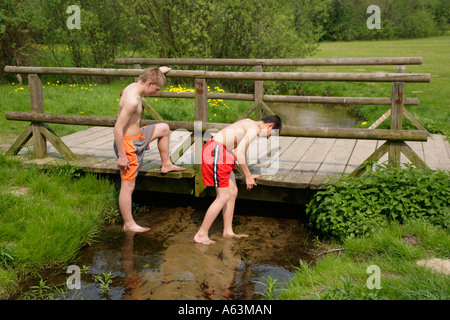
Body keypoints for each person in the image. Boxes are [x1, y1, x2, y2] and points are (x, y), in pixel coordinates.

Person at [114, 67, 185, 233]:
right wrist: (122, 156)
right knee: (128, 186)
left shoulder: (133, 86)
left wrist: (160, 70)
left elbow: (149, 75)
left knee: (164, 128)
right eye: (157, 89)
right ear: (149, 83)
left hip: (138, 135)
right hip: (128, 145)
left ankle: (166, 164)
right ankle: (128, 224)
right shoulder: (132, 100)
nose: (157, 93)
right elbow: (117, 129)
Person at [193, 115, 282, 245]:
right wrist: (247, 176)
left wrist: (248, 174)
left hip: (224, 152)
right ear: (270, 125)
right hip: (216, 151)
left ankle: (228, 231)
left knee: (233, 191)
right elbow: (239, 153)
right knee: (222, 197)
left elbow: (241, 151)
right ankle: (201, 234)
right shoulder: (254, 129)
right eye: (270, 135)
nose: (267, 137)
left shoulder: (250, 122)